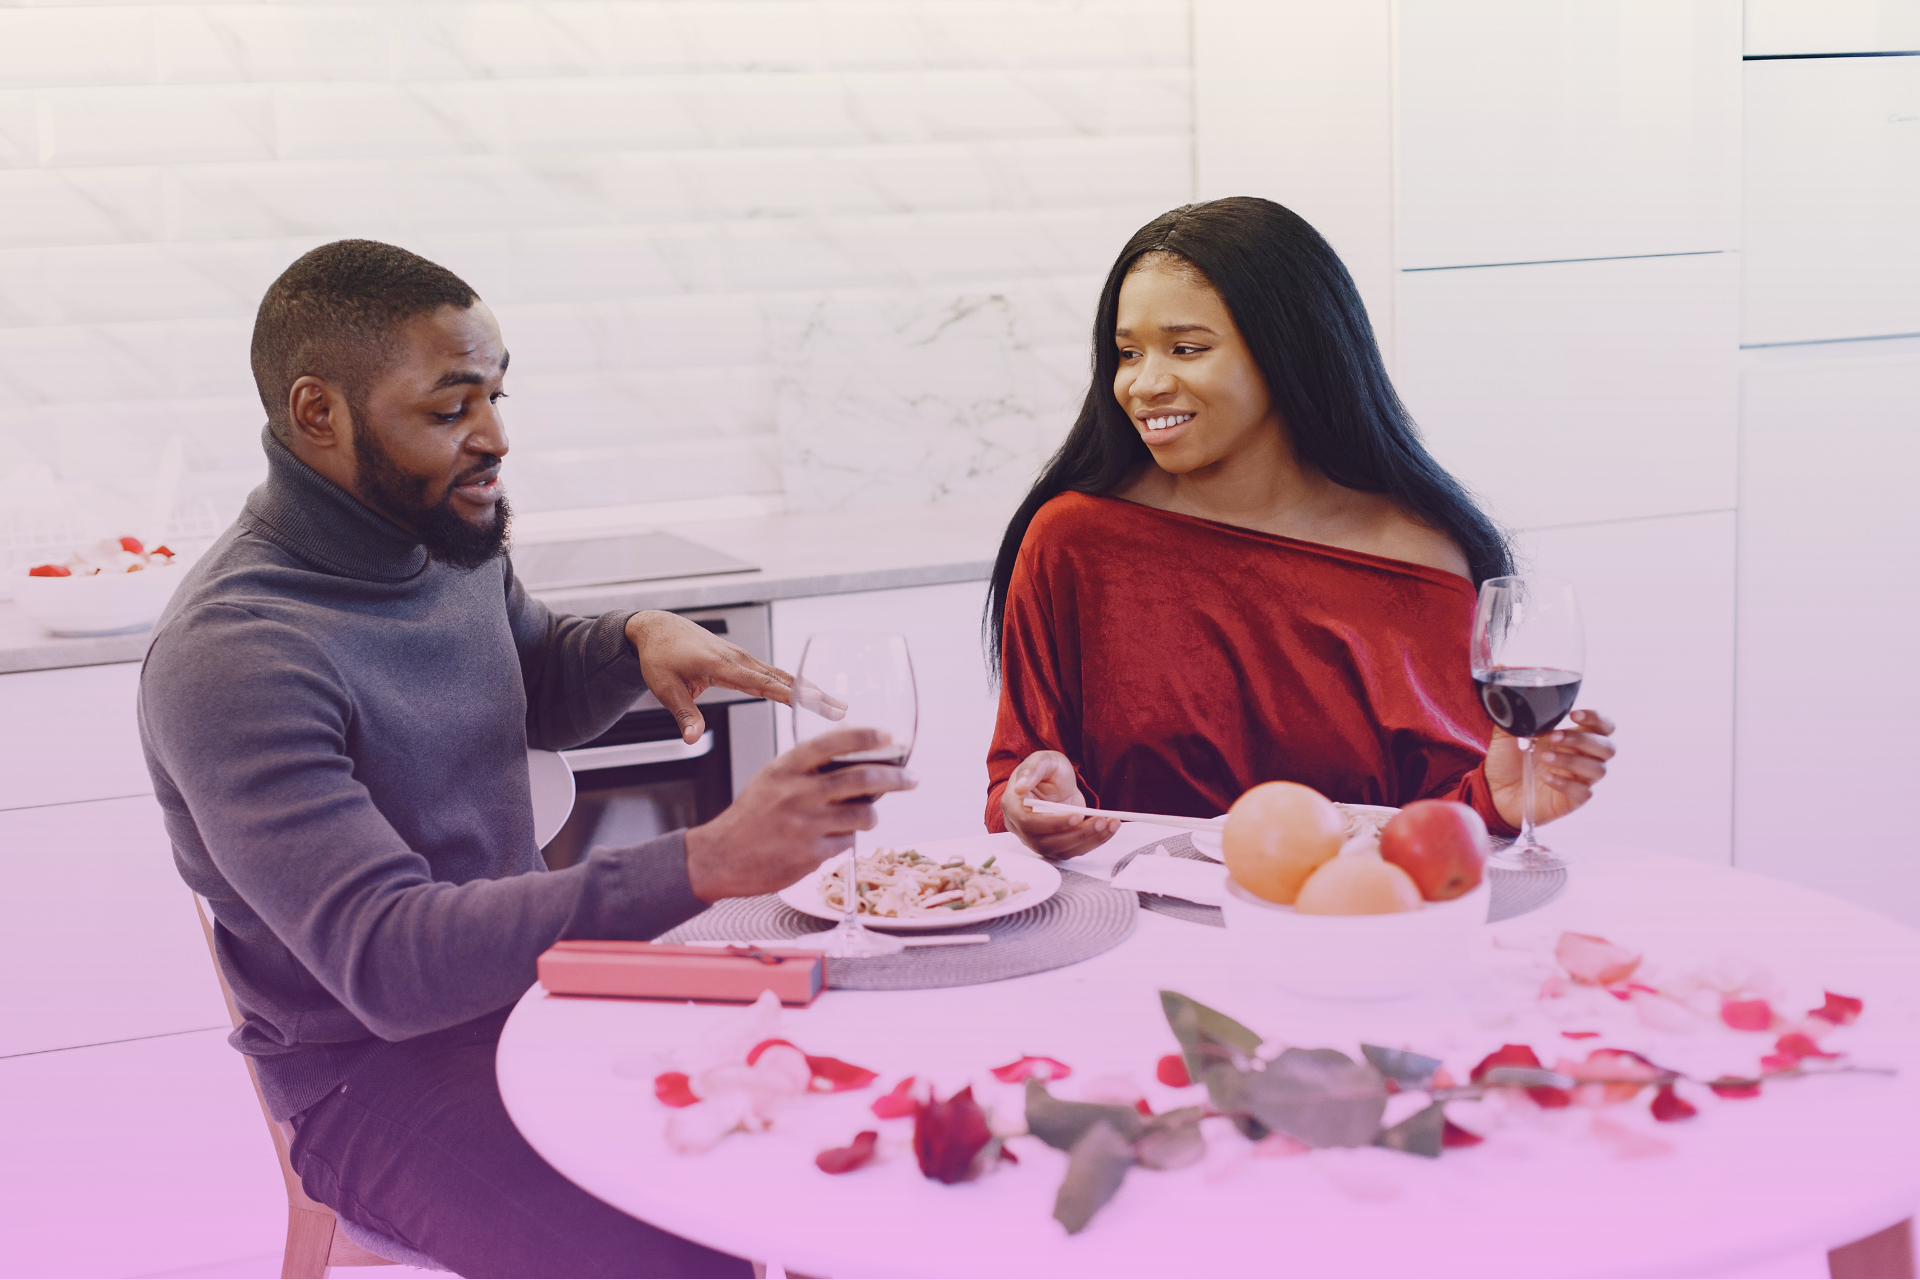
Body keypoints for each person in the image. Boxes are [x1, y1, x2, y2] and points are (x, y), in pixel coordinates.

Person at [138, 240, 912, 1278]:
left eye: (495, 396)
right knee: (678, 1260)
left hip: (544, 998)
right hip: (371, 1081)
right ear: (318, 413)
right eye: (451, 408)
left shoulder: (436, 533)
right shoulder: (235, 655)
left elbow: (531, 672)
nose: (495, 437)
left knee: (847, 1159)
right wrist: (706, 859)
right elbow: (388, 962)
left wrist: (636, 637)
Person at [985, 198, 1616, 858]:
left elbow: (1436, 824)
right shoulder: (1075, 541)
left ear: (1289, 349)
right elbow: (1022, 783)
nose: (1144, 384)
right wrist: (1031, 803)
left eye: (1186, 348)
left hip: (1357, 932)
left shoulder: (1420, 557)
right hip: (1139, 934)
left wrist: (1499, 802)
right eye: (1127, 353)